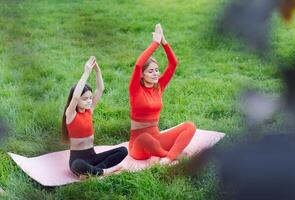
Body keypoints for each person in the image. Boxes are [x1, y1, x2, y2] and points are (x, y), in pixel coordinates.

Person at [129, 24, 196, 165]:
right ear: (142, 75)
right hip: (138, 146)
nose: (155, 74)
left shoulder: (158, 86)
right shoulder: (135, 89)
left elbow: (173, 63)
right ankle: (172, 155)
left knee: (190, 126)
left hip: (157, 139)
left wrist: (164, 42)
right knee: (145, 138)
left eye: (157, 70)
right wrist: (155, 43)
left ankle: (167, 159)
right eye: (151, 71)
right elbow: (138, 65)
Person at [61, 56, 128, 177]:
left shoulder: (89, 111)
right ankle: (104, 172)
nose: (89, 101)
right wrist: (86, 72)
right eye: (85, 99)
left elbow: (100, 89)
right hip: (78, 159)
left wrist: (97, 70)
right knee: (78, 165)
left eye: (90, 98)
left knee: (123, 151)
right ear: (77, 100)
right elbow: (75, 96)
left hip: (93, 156)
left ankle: (92, 172)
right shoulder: (70, 114)